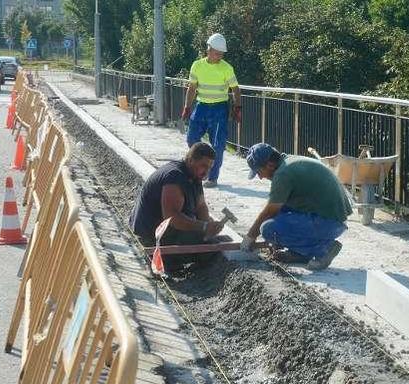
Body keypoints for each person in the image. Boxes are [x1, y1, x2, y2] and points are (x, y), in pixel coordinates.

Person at [241, 143, 352, 270]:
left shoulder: (283, 174)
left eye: (259, 172)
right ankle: (301, 254)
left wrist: (251, 236)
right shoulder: (288, 163)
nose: (260, 177)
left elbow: (270, 211)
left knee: (268, 229)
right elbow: (278, 208)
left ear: (270, 165)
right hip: (331, 219)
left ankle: (324, 249)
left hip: (329, 223)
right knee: (280, 214)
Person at [129, 142, 226, 270]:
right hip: (150, 237)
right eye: (204, 166)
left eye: (210, 167)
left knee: (218, 240)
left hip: (162, 230)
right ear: (191, 160)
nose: (207, 171)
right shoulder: (174, 177)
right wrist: (203, 227)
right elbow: (172, 217)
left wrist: (208, 224)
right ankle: (171, 263)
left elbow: (201, 205)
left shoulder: (194, 174)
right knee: (209, 248)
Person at [180, 33, 242, 188]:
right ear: (209, 49)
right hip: (201, 106)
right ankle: (196, 168)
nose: (219, 56)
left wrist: (237, 107)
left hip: (220, 108)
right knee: (191, 139)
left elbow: (235, 89)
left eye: (221, 54)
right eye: (217, 53)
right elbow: (192, 87)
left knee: (218, 144)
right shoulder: (197, 65)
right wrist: (187, 107)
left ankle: (212, 177)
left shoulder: (226, 68)